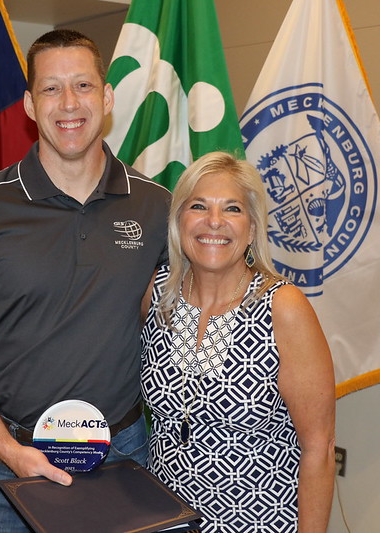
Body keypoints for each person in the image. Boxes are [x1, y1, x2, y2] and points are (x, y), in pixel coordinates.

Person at [0, 29, 170, 531]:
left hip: (121, 454)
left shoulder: (156, 206)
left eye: (83, 86)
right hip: (0, 464)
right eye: (51, 89)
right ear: (29, 104)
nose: (68, 103)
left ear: (108, 96)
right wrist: (7, 450)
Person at [141, 152, 336, 532]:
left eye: (231, 209)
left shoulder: (283, 307)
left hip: (260, 522)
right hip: (165, 520)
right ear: (179, 221)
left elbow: (320, 448)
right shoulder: (158, 292)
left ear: (250, 230)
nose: (214, 221)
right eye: (198, 206)